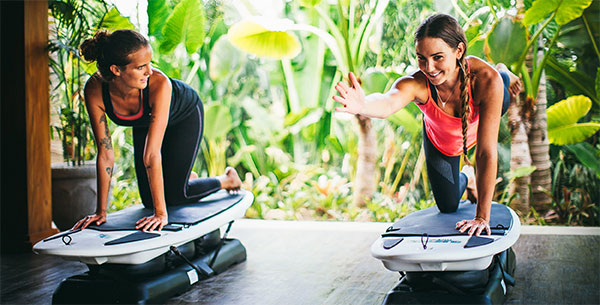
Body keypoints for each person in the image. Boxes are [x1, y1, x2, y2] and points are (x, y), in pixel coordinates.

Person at [333, 14, 521, 236]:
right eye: (421, 58)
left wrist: (481, 217)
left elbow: (486, 153)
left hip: (485, 111)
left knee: (500, 85)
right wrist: (363, 104)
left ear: (459, 51)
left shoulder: (484, 80)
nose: (429, 67)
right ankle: (466, 178)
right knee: (448, 205)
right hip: (444, 142)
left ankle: (503, 71)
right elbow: (387, 102)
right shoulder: (417, 84)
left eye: (438, 57)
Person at [73, 29, 242, 232]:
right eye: (141, 67)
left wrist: (161, 214)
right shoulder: (95, 90)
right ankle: (185, 178)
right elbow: (105, 154)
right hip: (145, 123)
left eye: (149, 63)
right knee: (148, 201)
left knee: (176, 196)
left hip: (184, 116)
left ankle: (227, 180)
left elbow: (151, 154)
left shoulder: (159, 84)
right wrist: (101, 212)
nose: (150, 71)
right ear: (116, 70)